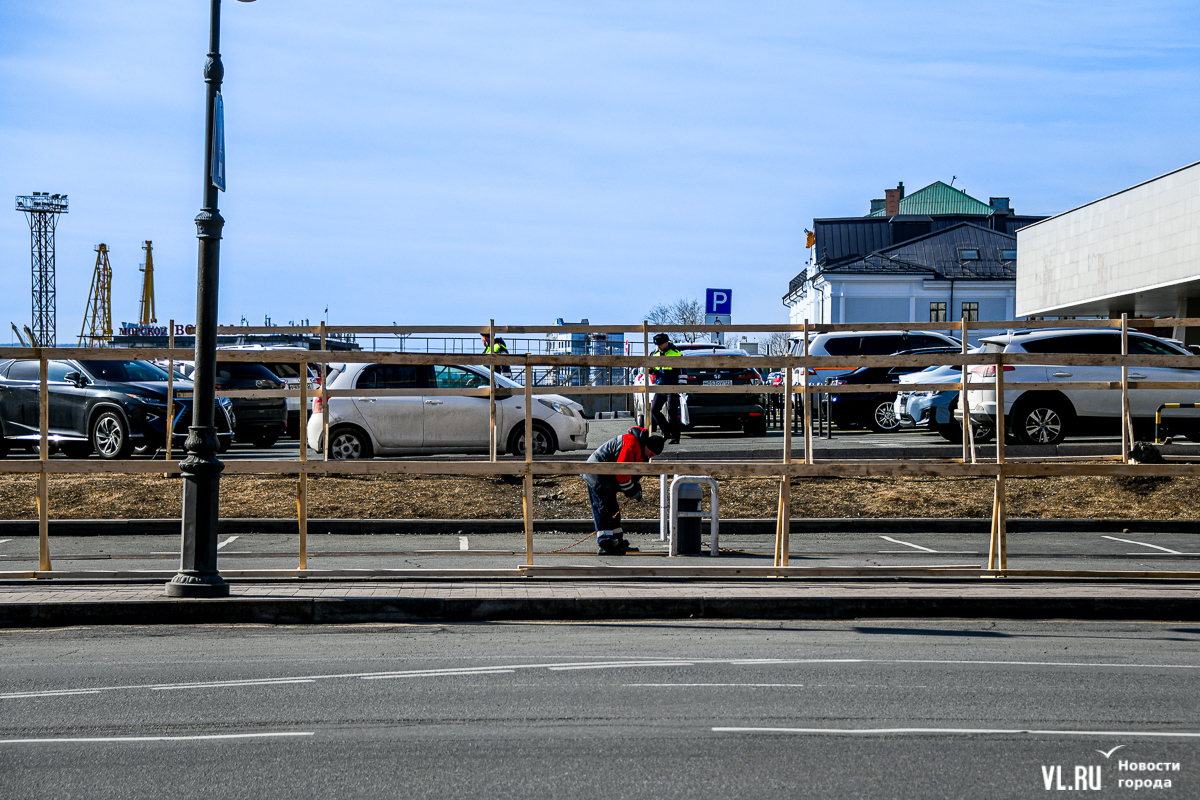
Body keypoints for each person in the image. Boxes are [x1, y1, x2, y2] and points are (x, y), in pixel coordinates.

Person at [582, 426, 664, 555]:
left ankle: (617, 540)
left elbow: (631, 474)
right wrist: (631, 491)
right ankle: (605, 543)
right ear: (646, 446)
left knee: (613, 507)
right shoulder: (631, 444)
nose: (651, 456)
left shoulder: (640, 449)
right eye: (651, 453)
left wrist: (635, 487)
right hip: (595, 473)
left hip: (604, 474)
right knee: (603, 508)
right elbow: (622, 473)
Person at [648, 333, 683, 444]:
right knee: (654, 410)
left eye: (660, 344)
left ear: (666, 343)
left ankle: (675, 437)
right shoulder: (655, 354)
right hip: (660, 385)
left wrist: (681, 387)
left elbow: (681, 372)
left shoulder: (676, 354)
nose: (658, 346)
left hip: (672, 386)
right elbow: (653, 371)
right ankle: (666, 432)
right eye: (657, 344)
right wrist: (651, 369)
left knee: (672, 413)